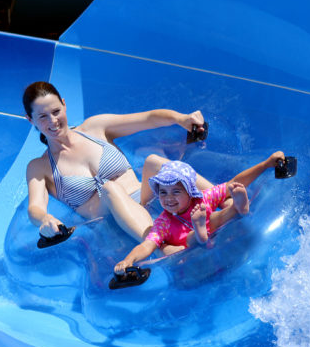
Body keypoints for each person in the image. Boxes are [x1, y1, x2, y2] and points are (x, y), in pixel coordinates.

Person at [23, 81, 210, 242]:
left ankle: (222, 197)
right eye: (43, 117)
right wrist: (45, 219)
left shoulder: (94, 128)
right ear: (31, 120)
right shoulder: (39, 167)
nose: (53, 121)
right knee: (109, 189)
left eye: (56, 111)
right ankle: (163, 249)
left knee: (153, 161)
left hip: (143, 199)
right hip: (110, 224)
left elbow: (148, 118)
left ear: (64, 105)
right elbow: (35, 207)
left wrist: (181, 119)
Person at [113, 154, 284, 275]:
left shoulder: (202, 199)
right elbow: (147, 245)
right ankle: (205, 230)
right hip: (191, 257)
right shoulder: (163, 222)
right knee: (185, 242)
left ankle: (238, 208)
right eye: (163, 193)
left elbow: (235, 183)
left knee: (216, 217)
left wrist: (266, 164)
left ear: (189, 192)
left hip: (212, 239)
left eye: (176, 191)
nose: (168, 198)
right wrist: (129, 260)